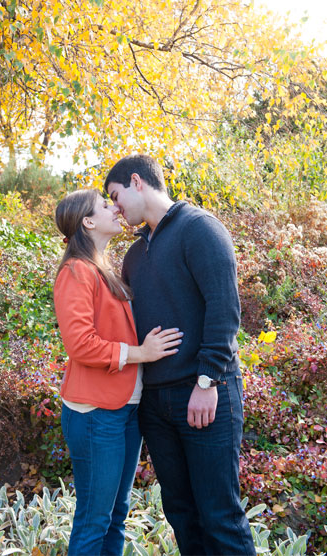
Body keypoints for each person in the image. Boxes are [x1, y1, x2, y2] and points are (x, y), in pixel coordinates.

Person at [104, 154, 256, 555]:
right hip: (157, 404)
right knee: (181, 513)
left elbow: (225, 310)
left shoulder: (200, 229)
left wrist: (207, 380)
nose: (115, 208)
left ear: (137, 181)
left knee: (219, 515)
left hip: (205, 392)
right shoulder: (134, 257)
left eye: (116, 197)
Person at [53, 189, 183, 556]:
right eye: (105, 205)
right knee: (95, 519)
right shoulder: (75, 271)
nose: (115, 208)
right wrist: (141, 353)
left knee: (116, 515)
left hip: (125, 409)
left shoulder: (103, 266)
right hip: (95, 413)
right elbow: (80, 344)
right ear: (88, 222)